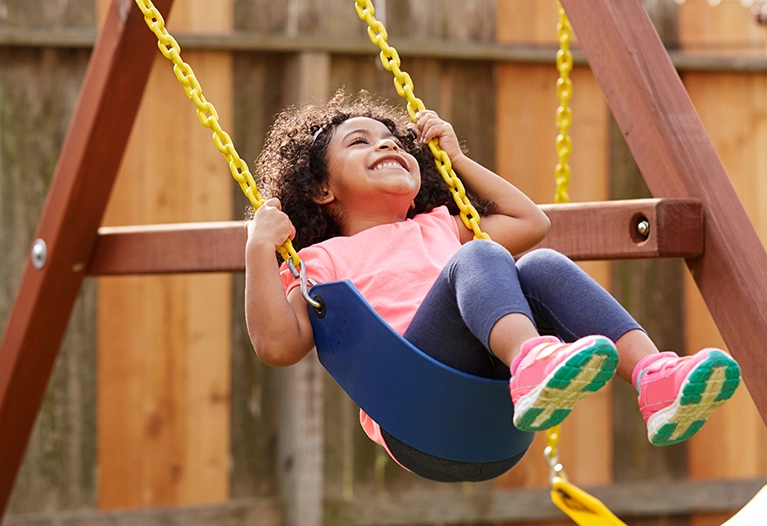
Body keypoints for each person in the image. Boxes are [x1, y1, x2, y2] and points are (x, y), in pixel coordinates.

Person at [244, 90, 741, 482]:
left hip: (493, 415)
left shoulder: (439, 225)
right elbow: (278, 346)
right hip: (415, 411)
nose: (387, 144)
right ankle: (531, 363)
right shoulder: (320, 261)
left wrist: (456, 159)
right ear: (320, 189)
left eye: (394, 140)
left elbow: (532, 222)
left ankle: (656, 379)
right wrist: (258, 250)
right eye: (360, 141)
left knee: (541, 263)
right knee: (481, 253)